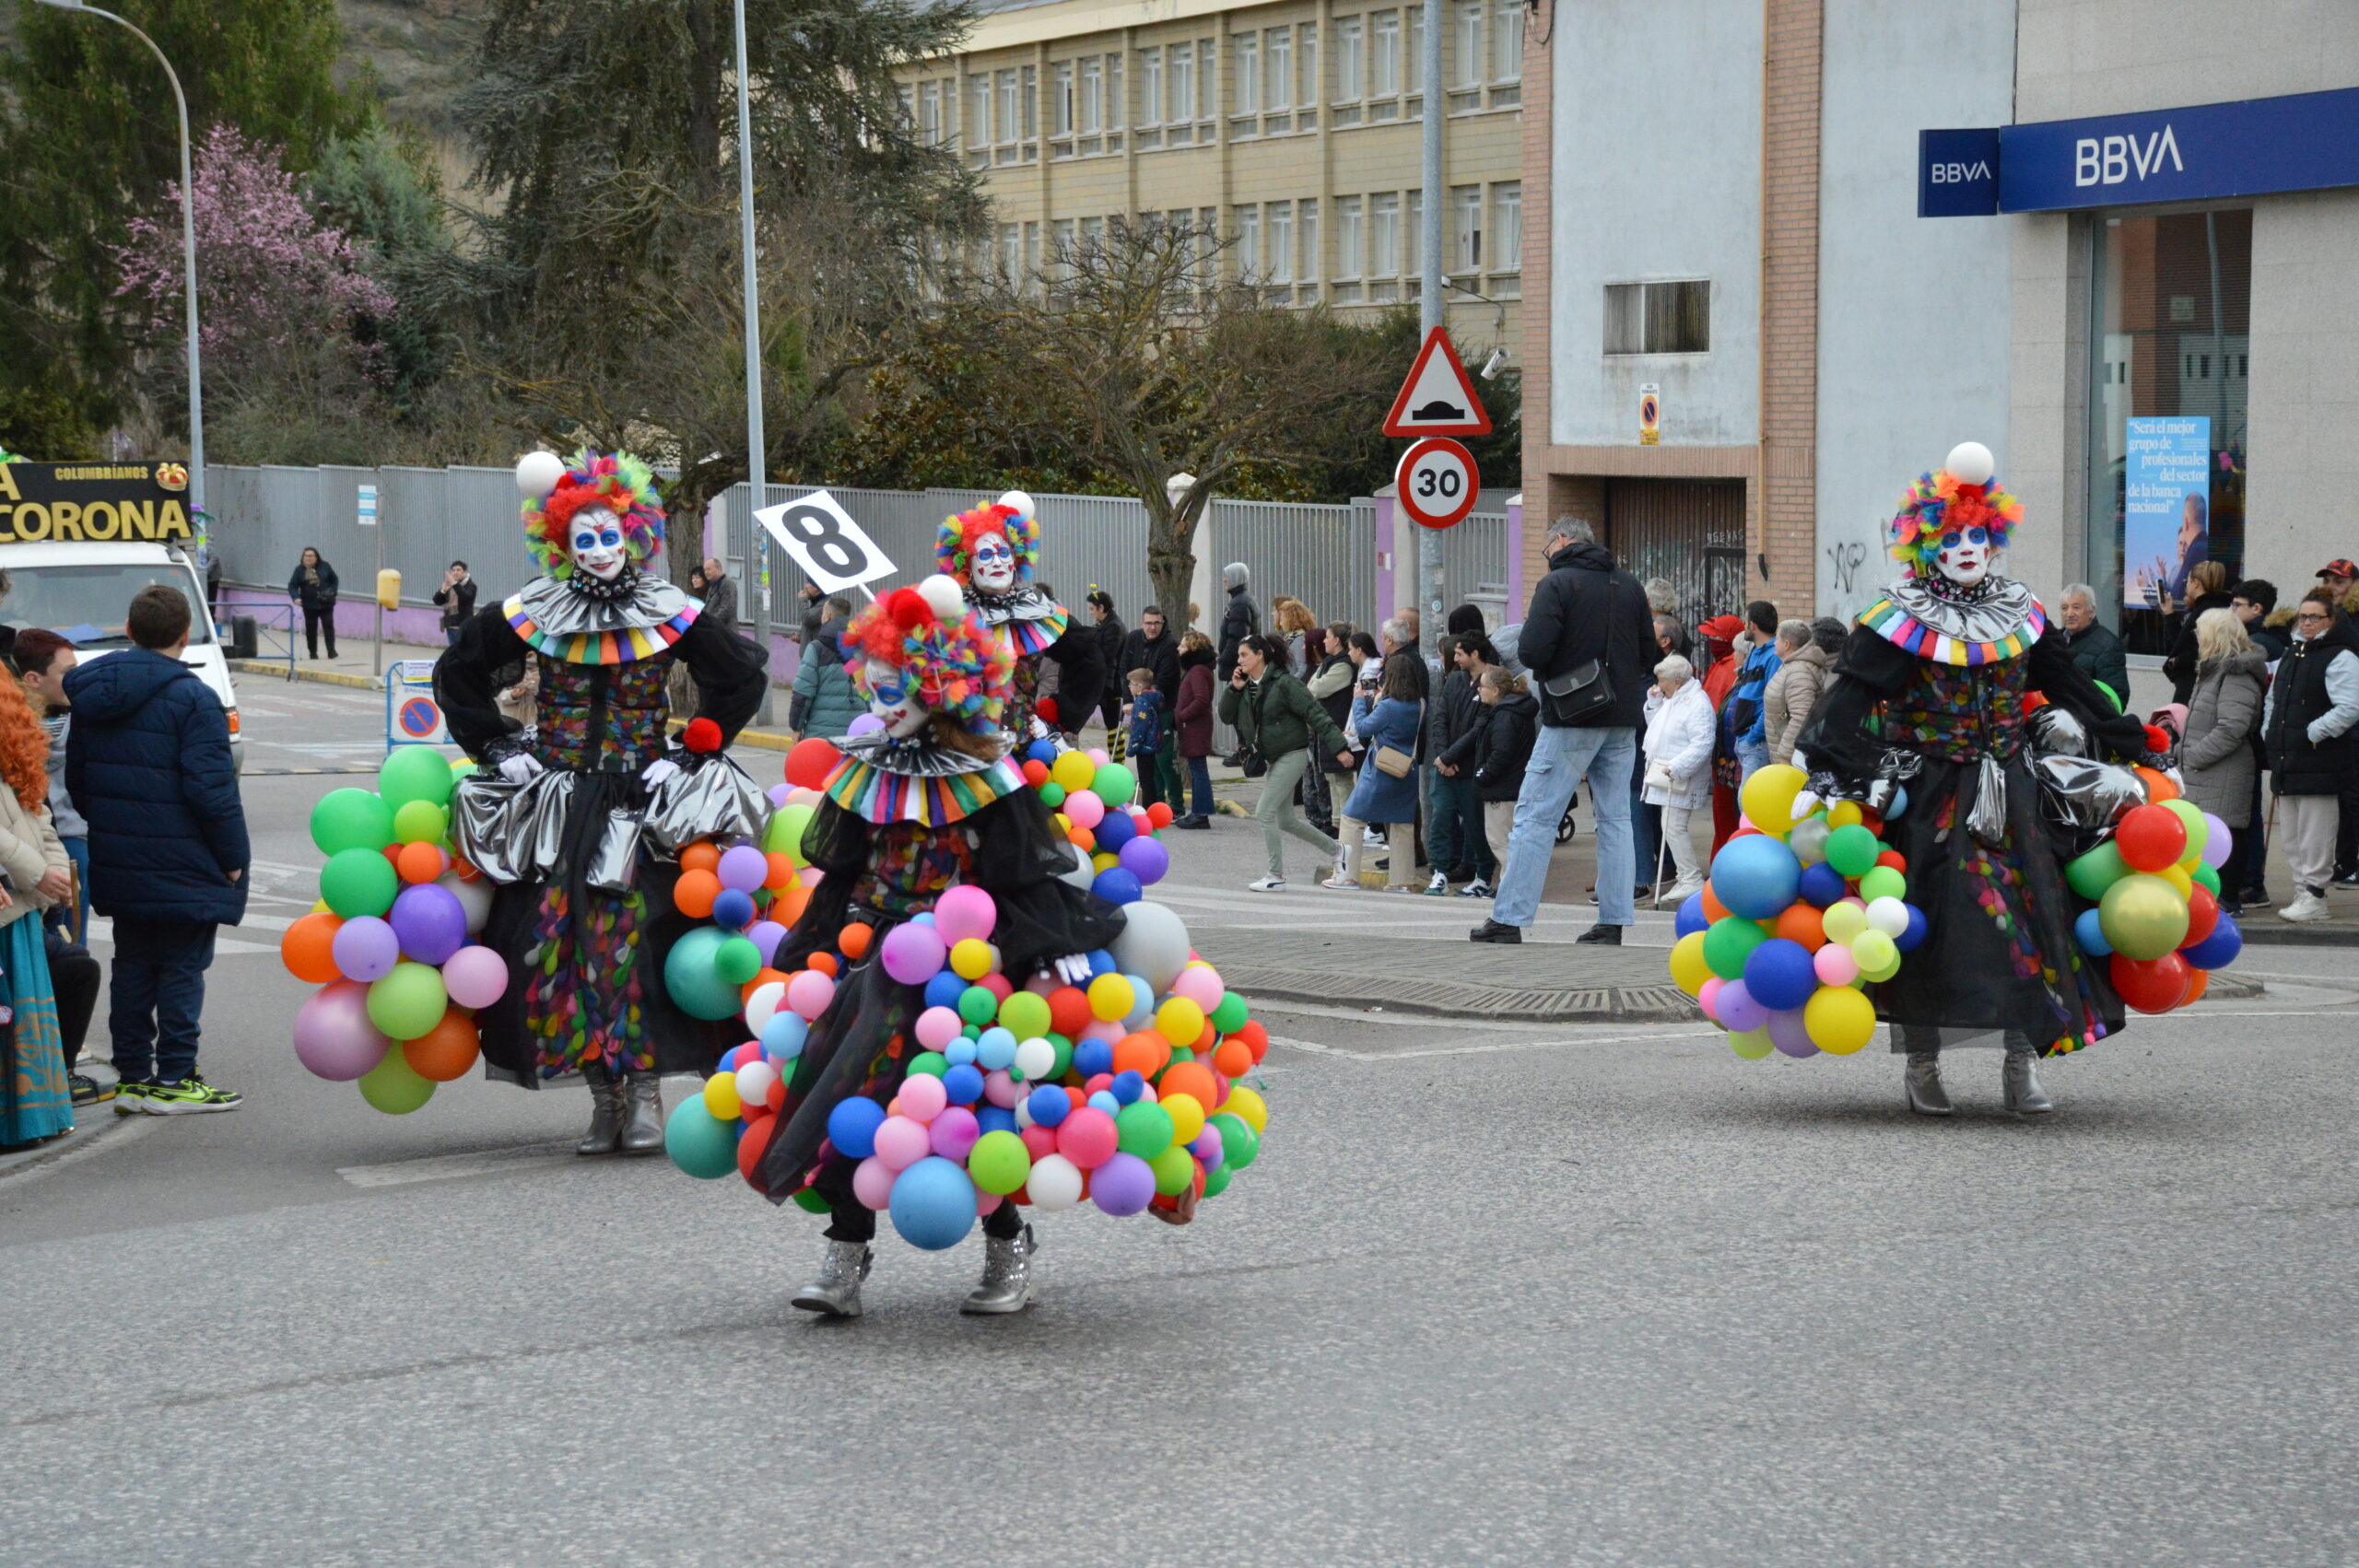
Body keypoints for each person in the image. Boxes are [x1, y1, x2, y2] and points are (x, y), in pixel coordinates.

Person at [754, 580, 1128, 1317]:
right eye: (877, 687)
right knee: (845, 1104)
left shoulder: (989, 777)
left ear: (940, 687)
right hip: (878, 959)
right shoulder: (865, 767)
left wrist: (1047, 951)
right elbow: (841, 873)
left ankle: (1007, 1242)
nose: (886, 703)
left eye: (899, 690)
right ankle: (845, 1253)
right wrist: (821, 943)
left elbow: (1021, 879)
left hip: (965, 972)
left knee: (966, 1120)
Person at [1796, 441, 2158, 1117]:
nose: (1966, 548)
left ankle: (2023, 1065)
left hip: (2013, 791)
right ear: (1927, 545)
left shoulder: (2023, 612)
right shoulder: (1895, 620)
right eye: (1951, 537)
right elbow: (1836, 717)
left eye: (1977, 535)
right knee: (1937, 931)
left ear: (1994, 539)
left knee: (2029, 922)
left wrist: (2137, 742)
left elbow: (2072, 688)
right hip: (1932, 795)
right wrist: (1871, 769)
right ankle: (1925, 1065)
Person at [436, 451, 770, 1153]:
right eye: (582, 539)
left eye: (608, 536)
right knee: (555, 945)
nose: (597, 550)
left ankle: (645, 1091)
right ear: (562, 544)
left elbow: (739, 678)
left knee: (642, 940)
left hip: (640, 798)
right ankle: (601, 1096)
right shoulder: (533, 608)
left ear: (632, 536)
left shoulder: (671, 609)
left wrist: (696, 747)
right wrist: (500, 744)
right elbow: (459, 672)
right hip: (558, 799)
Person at [65, 585, 249, 1115]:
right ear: (185, 635)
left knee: (132, 963)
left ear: (129, 628)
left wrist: (116, 827)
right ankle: (175, 1076)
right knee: (182, 966)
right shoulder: (194, 697)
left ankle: (131, 1078)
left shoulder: (92, 692)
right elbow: (212, 792)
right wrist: (232, 858)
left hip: (121, 857)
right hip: (186, 859)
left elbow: (79, 780)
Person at [1471, 517, 1652, 947]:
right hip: (1623, 717)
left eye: (1548, 544)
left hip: (1572, 715)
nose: (1548, 552)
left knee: (1535, 815)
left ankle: (1509, 918)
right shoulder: (1628, 585)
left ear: (1562, 540)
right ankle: (1612, 922)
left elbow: (1532, 649)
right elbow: (1648, 652)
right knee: (1615, 819)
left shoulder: (1557, 584)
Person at [937, 494, 1101, 743]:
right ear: (967, 565)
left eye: (1004, 552)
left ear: (1016, 559)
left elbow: (1089, 660)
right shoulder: (953, 613)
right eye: (985, 555)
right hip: (968, 746)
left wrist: (1055, 715)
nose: (997, 562)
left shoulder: (1037, 609)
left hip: (1024, 744)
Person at [0, 672, 75, 1148]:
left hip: (19, 906)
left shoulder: (11, 756)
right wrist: (37, 872)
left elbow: (38, 816)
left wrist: (52, 872)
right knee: (12, 1021)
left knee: (21, 1021)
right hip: (13, 900)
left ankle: (32, 1122)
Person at [1217, 632, 1354, 892]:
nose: (1239, 660)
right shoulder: (1247, 685)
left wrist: (1339, 748)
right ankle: (1337, 851)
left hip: (1293, 754)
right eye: (1238, 655)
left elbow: (1316, 714)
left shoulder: (1285, 683)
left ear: (1260, 655)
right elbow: (1225, 715)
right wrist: (1234, 689)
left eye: (1244, 654)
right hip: (1272, 758)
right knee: (1285, 820)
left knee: (1264, 811)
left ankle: (1275, 874)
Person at [2260, 590, 2359, 924]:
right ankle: (2302, 889)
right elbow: (2275, 699)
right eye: (2303, 616)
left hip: (2320, 760)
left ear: (2331, 620)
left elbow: (2350, 707)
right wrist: (2269, 731)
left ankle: (2315, 896)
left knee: (2316, 835)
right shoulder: (2293, 653)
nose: (2306, 622)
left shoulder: (2340, 656)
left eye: (2315, 617)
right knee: (2291, 835)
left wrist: (2312, 733)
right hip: (2288, 759)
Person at [2178, 608, 2268, 916]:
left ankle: (2229, 899)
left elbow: (2232, 727)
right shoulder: (2214, 670)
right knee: (2211, 833)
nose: (2197, 636)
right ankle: (2213, 897)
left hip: (2223, 768)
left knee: (2227, 831)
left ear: (2215, 634)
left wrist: (2193, 756)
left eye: (2201, 630)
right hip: (2207, 768)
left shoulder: (2235, 674)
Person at [1322, 652, 1426, 891]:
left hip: (1379, 770)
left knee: (1351, 818)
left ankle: (1346, 876)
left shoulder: (1389, 705)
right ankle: (1402, 881)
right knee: (1401, 825)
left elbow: (1364, 728)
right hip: (1405, 770)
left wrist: (1359, 701)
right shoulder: (1419, 704)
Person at [13, 629, 86, 943]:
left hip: (64, 847)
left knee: (67, 945)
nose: (77, 679)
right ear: (33, 679)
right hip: (40, 849)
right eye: (68, 672)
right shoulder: (14, 737)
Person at [1638, 654, 1714, 900]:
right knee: (1670, 826)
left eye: (1662, 681)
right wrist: (1654, 702)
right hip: (1667, 773)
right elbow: (1659, 729)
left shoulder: (1696, 703)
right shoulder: (1676, 698)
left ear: (1678, 681)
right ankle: (1686, 877)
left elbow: (1703, 742)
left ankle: (1689, 878)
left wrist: (1678, 767)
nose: (1659, 685)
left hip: (1678, 776)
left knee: (1674, 827)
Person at [1430, 630, 1499, 895]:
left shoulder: (1493, 682)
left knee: (1475, 825)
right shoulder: (1454, 680)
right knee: (1441, 818)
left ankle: (1483, 876)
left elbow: (1480, 727)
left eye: (1459, 654)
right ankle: (1439, 872)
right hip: (1445, 767)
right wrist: (1442, 756)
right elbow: (1440, 718)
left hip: (1471, 768)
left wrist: (1449, 757)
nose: (1455, 659)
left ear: (1475, 654)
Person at [1469, 666, 1538, 885]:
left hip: (1502, 790)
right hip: (1513, 786)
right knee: (1510, 842)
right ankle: (1513, 887)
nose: (1479, 689)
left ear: (1496, 690)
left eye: (1483, 686)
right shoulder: (1517, 710)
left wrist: (1482, 775)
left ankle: (1512, 889)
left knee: (1501, 842)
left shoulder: (1505, 716)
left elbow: (1501, 754)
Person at [1118, 605, 1183, 808]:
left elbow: (1164, 679)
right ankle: (1155, 804)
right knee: (1147, 761)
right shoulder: (1134, 638)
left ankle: (1176, 806)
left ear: (1163, 623)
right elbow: (1125, 670)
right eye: (1148, 623)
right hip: (1140, 706)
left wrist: (1143, 699)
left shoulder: (1169, 644)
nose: (1152, 628)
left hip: (1162, 708)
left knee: (1164, 761)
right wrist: (1129, 699)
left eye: (1156, 623)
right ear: (1141, 623)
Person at [1694, 614, 1745, 851]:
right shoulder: (1722, 665)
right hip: (1722, 753)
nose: (1711, 640)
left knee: (1727, 812)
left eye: (1715, 636)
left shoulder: (1729, 669)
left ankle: (1724, 857)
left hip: (1727, 755)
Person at [1758, 618, 1831, 766]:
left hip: (1792, 761)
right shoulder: (1791, 666)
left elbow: (1801, 716)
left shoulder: (1799, 672)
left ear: (1787, 644)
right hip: (1785, 756)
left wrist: (1785, 757)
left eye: (1777, 638)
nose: (1774, 642)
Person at [2162, 559, 2235, 704]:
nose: (2185, 585)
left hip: (2194, 680)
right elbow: (2182, 642)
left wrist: (2177, 661)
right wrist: (2170, 614)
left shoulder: (2207, 611)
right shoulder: (2215, 607)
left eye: (2187, 580)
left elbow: (2201, 647)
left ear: (2195, 583)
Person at [1725, 600, 1782, 782]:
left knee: (1748, 799)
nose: (1744, 627)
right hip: (1743, 738)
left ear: (1752, 625)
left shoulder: (1773, 656)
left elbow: (1773, 700)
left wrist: (1754, 736)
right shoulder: (1754, 653)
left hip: (1755, 740)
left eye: (1745, 622)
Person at [789, 595, 859, 740]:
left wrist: (796, 727)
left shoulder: (817, 648)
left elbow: (803, 692)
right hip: (857, 731)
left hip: (821, 734)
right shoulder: (863, 647)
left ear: (828, 616)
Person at [2135, 489, 2211, 612]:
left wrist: (2145, 588)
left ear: (2186, 522)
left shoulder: (2197, 551)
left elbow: (2172, 607)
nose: (2183, 549)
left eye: (2185, 544)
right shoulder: (2203, 547)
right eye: (2180, 544)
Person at [1172, 630, 1217, 827]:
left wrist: (1182, 715)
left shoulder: (1198, 671)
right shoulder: (1197, 669)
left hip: (1195, 728)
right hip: (1193, 727)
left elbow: (1201, 699)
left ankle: (1201, 813)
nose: (1178, 649)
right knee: (1197, 769)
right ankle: (1199, 812)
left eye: (1182, 646)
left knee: (1198, 770)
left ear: (1192, 648)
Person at [2057, 583, 2130, 704]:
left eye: (2076, 607)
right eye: (2064, 608)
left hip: (2084, 719)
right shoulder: (2055, 641)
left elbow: (2116, 698)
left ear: (2091, 611)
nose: (2069, 614)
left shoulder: (2108, 645)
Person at [1085, 589, 1127, 738]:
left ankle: (1116, 757)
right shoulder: (1105, 625)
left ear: (1101, 608)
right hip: (1104, 682)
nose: (1091, 613)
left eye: (1092, 609)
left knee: (1113, 724)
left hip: (1111, 685)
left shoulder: (1114, 627)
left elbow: (1107, 654)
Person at [1121, 667, 1165, 806]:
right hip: (1153, 742)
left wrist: (1133, 747)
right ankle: (1152, 805)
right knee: (1151, 778)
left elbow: (1139, 727)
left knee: (1145, 780)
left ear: (1139, 687)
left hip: (1144, 745)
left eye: (1131, 684)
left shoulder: (1140, 702)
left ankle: (1148, 808)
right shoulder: (1154, 698)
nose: (1129, 687)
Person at [287, 545, 338, 660]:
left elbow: (334, 579)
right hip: (309, 604)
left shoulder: (325, 566)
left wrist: (333, 592)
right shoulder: (300, 570)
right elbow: (292, 585)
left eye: (311, 556)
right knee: (311, 628)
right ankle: (313, 652)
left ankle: (331, 650)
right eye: (306, 556)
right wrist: (296, 597)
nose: (308, 558)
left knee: (328, 625)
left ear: (316, 557)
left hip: (326, 603)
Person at [1216, 562, 1260, 685]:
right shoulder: (1245, 600)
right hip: (1241, 664)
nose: (1224, 580)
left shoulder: (1239, 603)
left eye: (1228, 577)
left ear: (1236, 578)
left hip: (1237, 667)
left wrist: (1223, 660)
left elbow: (1237, 638)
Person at [2233, 579, 2286, 661]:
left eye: (2236, 605)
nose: (2231, 610)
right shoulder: (2272, 633)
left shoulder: (2255, 641)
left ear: (2256, 609)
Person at [432, 560, 477, 648]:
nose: (455, 572)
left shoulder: (471, 586)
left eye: (458, 570)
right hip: (451, 625)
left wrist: (454, 583)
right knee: (453, 652)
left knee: (464, 651)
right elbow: (437, 601)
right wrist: (443, 590)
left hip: (464, 626)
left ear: (465, 572)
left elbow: (465, 597)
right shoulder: (450, 586)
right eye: (453, 570)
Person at [697, 557, 740, 638]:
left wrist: (710, 622)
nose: (706, 573)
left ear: (718, 569)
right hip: (715, 632)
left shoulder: (727, 584)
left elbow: (727, 609)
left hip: (726, 634)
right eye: (705, 570)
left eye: (709, 569)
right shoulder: (713, 586)